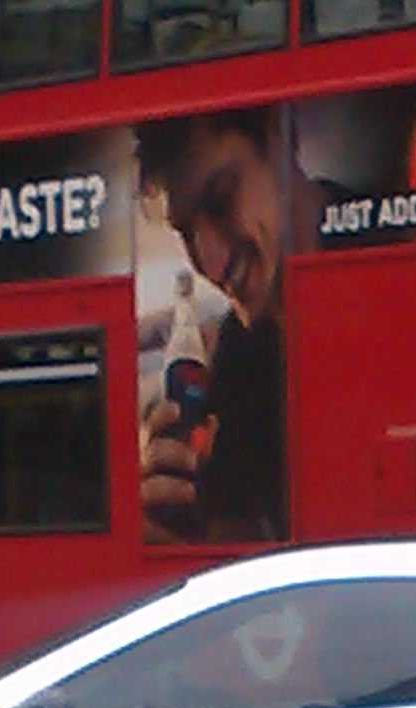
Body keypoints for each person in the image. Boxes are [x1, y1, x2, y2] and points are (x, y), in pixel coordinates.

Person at [131, 106, 322, 545]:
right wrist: (179, 527)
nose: (211, 264)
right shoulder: (240, 355)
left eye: (221, 199)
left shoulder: (408, 247)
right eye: (187, 235)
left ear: (279, 136)